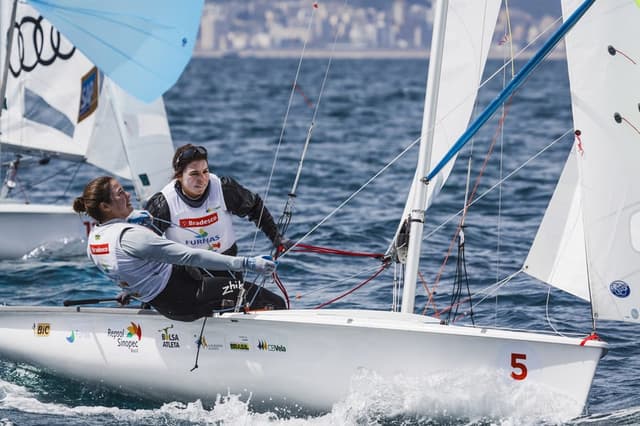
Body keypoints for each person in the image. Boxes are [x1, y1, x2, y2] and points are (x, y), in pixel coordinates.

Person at [73, 176, 286, 322]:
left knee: (231, 289)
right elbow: (189, 256)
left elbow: (127, 268)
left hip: (166, 302)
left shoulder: (95, 240)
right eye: (120, 193)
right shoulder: (132, 237)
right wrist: (247, 263)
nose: (128, 195)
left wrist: (130, 290)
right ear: (105, 207)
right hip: (189, 297)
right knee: (274, 302)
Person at [145, 143, 290, 276]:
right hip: (185, 273)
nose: (202, 179)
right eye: (194, 174)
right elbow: (143, 244)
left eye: (205, 171)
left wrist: (277, 239)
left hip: (225, 265)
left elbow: (255, 207)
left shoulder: (224, 190)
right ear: (179, 176)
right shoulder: (163, 203)